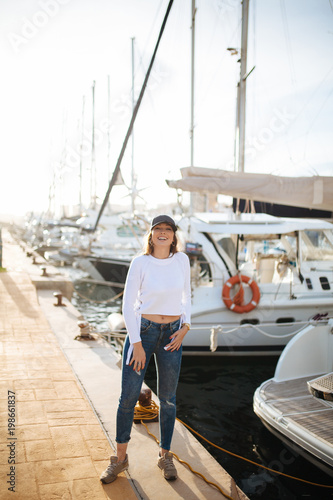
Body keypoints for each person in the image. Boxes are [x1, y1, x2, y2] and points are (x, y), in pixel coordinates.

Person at [100, 214, 191, 484]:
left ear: (174, 235)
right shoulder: (140, 263)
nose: (163, 233)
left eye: (168, 229)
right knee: (127, 398)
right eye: (158, 229)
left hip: (173, 334)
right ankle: (119, 459)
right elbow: (128, 305)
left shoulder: (182, 260)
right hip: (144, 332)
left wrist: (186, 326)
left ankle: (165, 455)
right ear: (151, 235)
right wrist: (137, 343)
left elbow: (186, 296)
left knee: (169, 399)